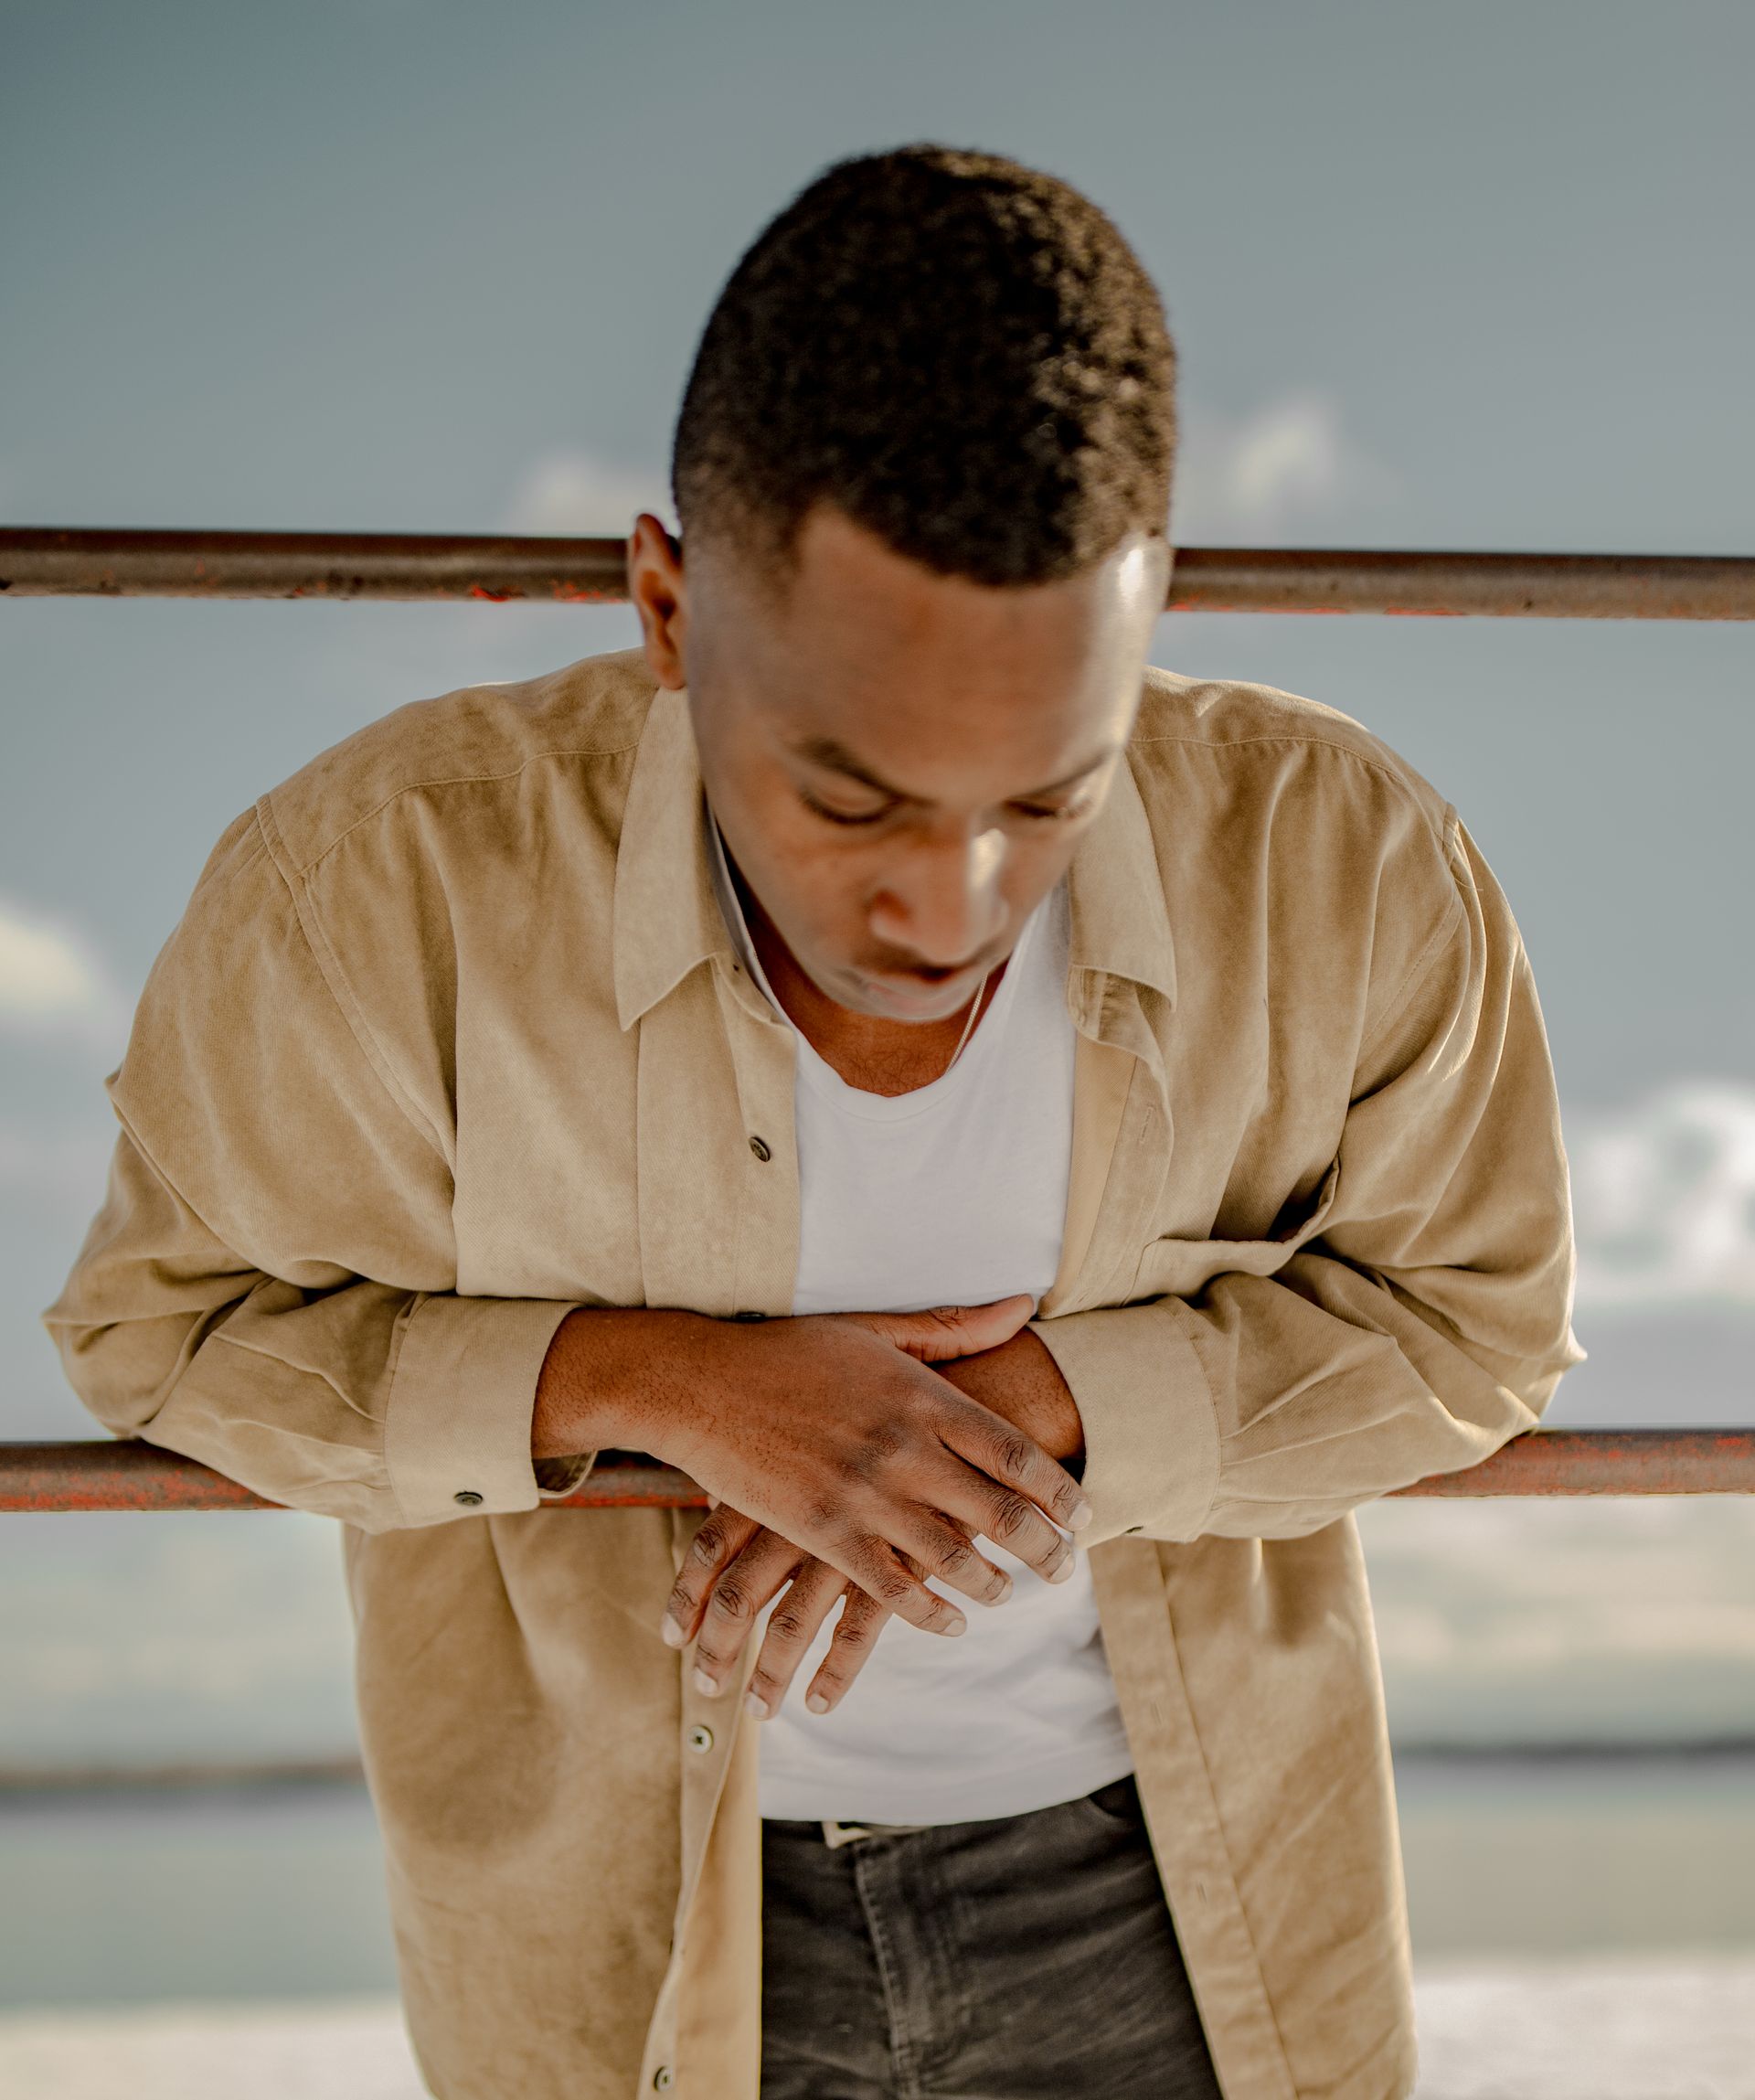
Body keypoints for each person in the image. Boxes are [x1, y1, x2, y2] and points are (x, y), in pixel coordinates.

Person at [41, 144, 1586, 2100]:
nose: (951, 908)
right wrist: (661, 1386)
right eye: (852, 800)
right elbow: (160, 1334)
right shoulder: (374, 887)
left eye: (1051, 794)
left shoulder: (1344, 859)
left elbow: (1481, 1324)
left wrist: (1030, 1410)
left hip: (1182, 1905)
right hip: (629, 1938)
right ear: (668, 608)